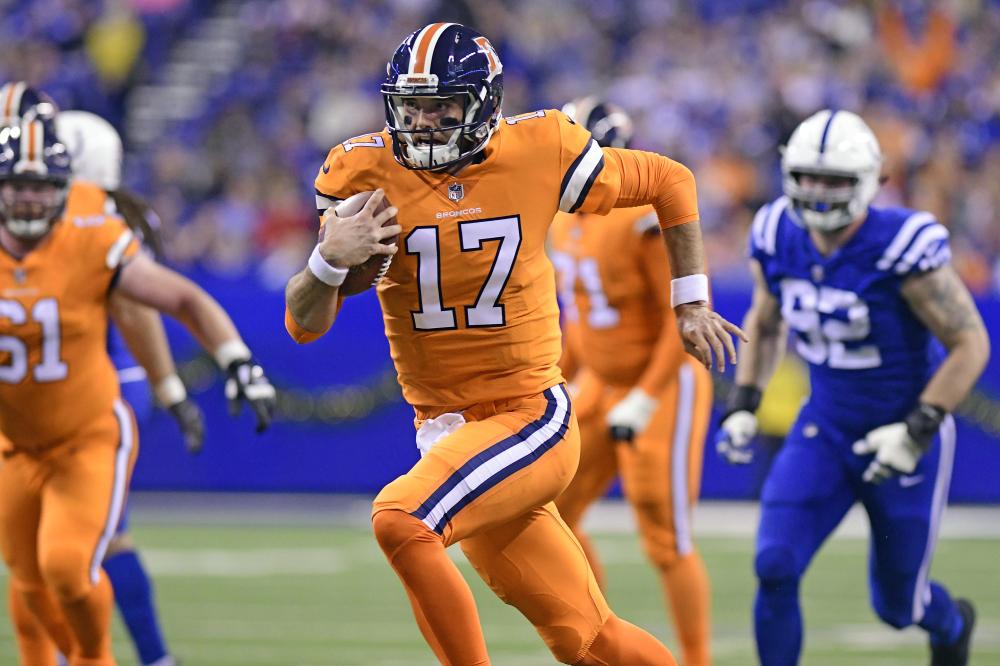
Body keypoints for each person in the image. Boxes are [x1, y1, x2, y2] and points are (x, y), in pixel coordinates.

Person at [286, 23, 742, 665]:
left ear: (482, 103)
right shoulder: (361, 169)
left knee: (401, 518)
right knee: (586, 639)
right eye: (410, 107)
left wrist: (690, 300)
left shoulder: (540, 146)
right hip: (445, 427)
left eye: (441, 106)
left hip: (527, 414)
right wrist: (328, 263)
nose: (423, 122)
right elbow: (303, 325)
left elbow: (670, 181)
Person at [715, 109, 988, 666]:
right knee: (773, 565)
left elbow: (971, 344)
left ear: (869, 180)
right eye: (808, 176)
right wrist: (746, 402)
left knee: (897, 607)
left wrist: (916, 431)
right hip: (826, 427)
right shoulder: (776, 232)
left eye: (834, 180)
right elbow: (766, 321)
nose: (818, 192)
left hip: (904, 433)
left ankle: (952, 622)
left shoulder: (901, 244)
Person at [0, 117, 275, 666]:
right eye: (17, 187)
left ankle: (102, 656)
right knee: (30, 584)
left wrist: (233, 361)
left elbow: (172, 300)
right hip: (13, 442)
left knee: (66, 566)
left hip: (86, 431)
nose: (30, 201)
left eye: (41, 188)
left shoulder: (95, 232)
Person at [549, 98, 713, 666]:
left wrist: (644, 397)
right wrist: (558, 381)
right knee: (550, 512)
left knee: (666, 538)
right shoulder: (557, 216)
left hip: (663, 382)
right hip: (601, 380)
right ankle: (600, 646)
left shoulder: (640, 215)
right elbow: (581, 317)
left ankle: (695, 660)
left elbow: (682, 318)